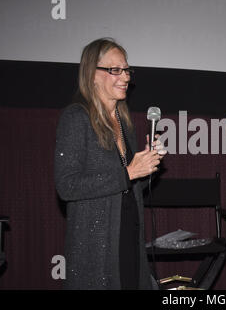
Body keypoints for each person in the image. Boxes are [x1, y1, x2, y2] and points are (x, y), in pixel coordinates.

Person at [54, 38, 166, 289]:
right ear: (92, 74)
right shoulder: (76, 118)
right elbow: (67, 186)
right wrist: (128, 173)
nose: (125, 77)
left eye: (127, 70)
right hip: (95, 248)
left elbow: (128, 185)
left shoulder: (124, 122)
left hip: (128, 236)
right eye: (115, 70)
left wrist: (147, 163)